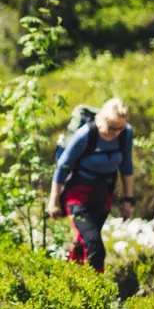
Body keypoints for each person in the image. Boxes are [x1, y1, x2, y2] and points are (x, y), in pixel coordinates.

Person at [47, 97, 135, 272]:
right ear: (102, 120)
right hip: (77, 193)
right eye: (112, 127)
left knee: (84, 239)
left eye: (120, 128)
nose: (116, 132)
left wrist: (128, 200)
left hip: (103, 194)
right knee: (94, 243)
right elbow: (62, 167)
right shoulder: (86, 134)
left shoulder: (126, 134)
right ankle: (97, 287)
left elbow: (126, 167)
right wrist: (53, 201)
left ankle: (71, 275)